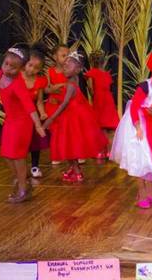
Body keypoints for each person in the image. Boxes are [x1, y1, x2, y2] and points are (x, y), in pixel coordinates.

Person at [110, 51, 152, 208]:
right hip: (140, 124)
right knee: (142, 158)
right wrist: (138, 127)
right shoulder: (146, 86)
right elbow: (134, 107)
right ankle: (142, 192)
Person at [41, 51, 107, 182]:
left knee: (69, 144)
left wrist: (51, 118)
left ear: (77, 69)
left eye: (69, 65)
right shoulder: (72, 80)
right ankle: (74, 169)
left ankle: (77, 172)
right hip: (72, 115)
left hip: (71, 117)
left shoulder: (71, 83)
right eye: (65, 64)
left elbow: (65, 103)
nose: (65, 66)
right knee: (69, 144)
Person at [0, 46, 46, 203]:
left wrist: (38, 125)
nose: (7, 68)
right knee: (6, 154)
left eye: (13, 67)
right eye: (6, 64)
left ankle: (23, 189)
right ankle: (22, 180)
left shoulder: (18, 84)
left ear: (21, 69)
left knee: (17, 155)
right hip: (10, 120)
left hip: (22, 122)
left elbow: (30, 106)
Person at [84, 50, 119, 158]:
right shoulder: (107, 75)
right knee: (110, 128)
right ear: (104, 62)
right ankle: (109, 152)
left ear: (91, 61)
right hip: (108, 101)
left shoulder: (91, 73)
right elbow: (109, 87)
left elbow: (90, 88)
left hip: (99, 101)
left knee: (100, 128)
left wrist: (93, 95)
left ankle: (100, 152)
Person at [22, 47, 50, 178]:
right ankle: (21, 168)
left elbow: (39, 101)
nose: (32, 69)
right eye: (30, 65)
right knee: (21, 142)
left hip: (33, 116)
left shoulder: (40, 81)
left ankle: (34, 166)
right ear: (25, 63)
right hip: (20, 115)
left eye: (36, 68)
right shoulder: (17, 77)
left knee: (35, 142)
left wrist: (42, 113)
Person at [45, 44, 69, 165]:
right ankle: (56, 155)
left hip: (66, 106)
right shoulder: (49, 71)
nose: (66, 58)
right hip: (53, 106)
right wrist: (53, 88)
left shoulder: (69, 71)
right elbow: (46, 89)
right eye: (63, 56)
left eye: (68, 56)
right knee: (55, 131)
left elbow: (73, 87)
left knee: (69, 131)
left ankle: (73, 155)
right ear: (55, 57)